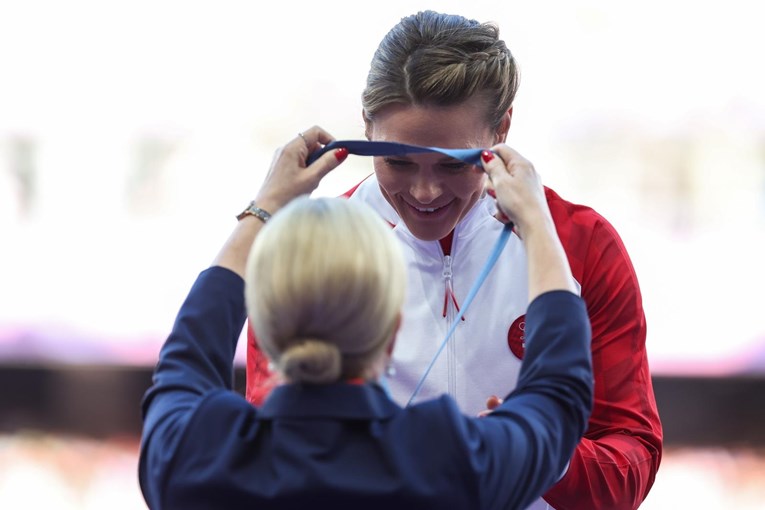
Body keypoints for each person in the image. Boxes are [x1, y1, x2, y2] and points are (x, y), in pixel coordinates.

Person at [245, 10, 662, 510]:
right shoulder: (311, 249)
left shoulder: (583, 243)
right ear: (366, 127)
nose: (424, 191)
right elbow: (270, 461)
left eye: (452, 164)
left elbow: (630, 460)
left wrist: (541, 451)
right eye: (396, 161)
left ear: (501, 127)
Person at [138, 126, 594, 510]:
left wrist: (264, 207)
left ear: (261, 322)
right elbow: (559, 398)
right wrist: (535, 221)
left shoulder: (197, 454)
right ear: (393, 329)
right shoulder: (447, 456)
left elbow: (188, 355)